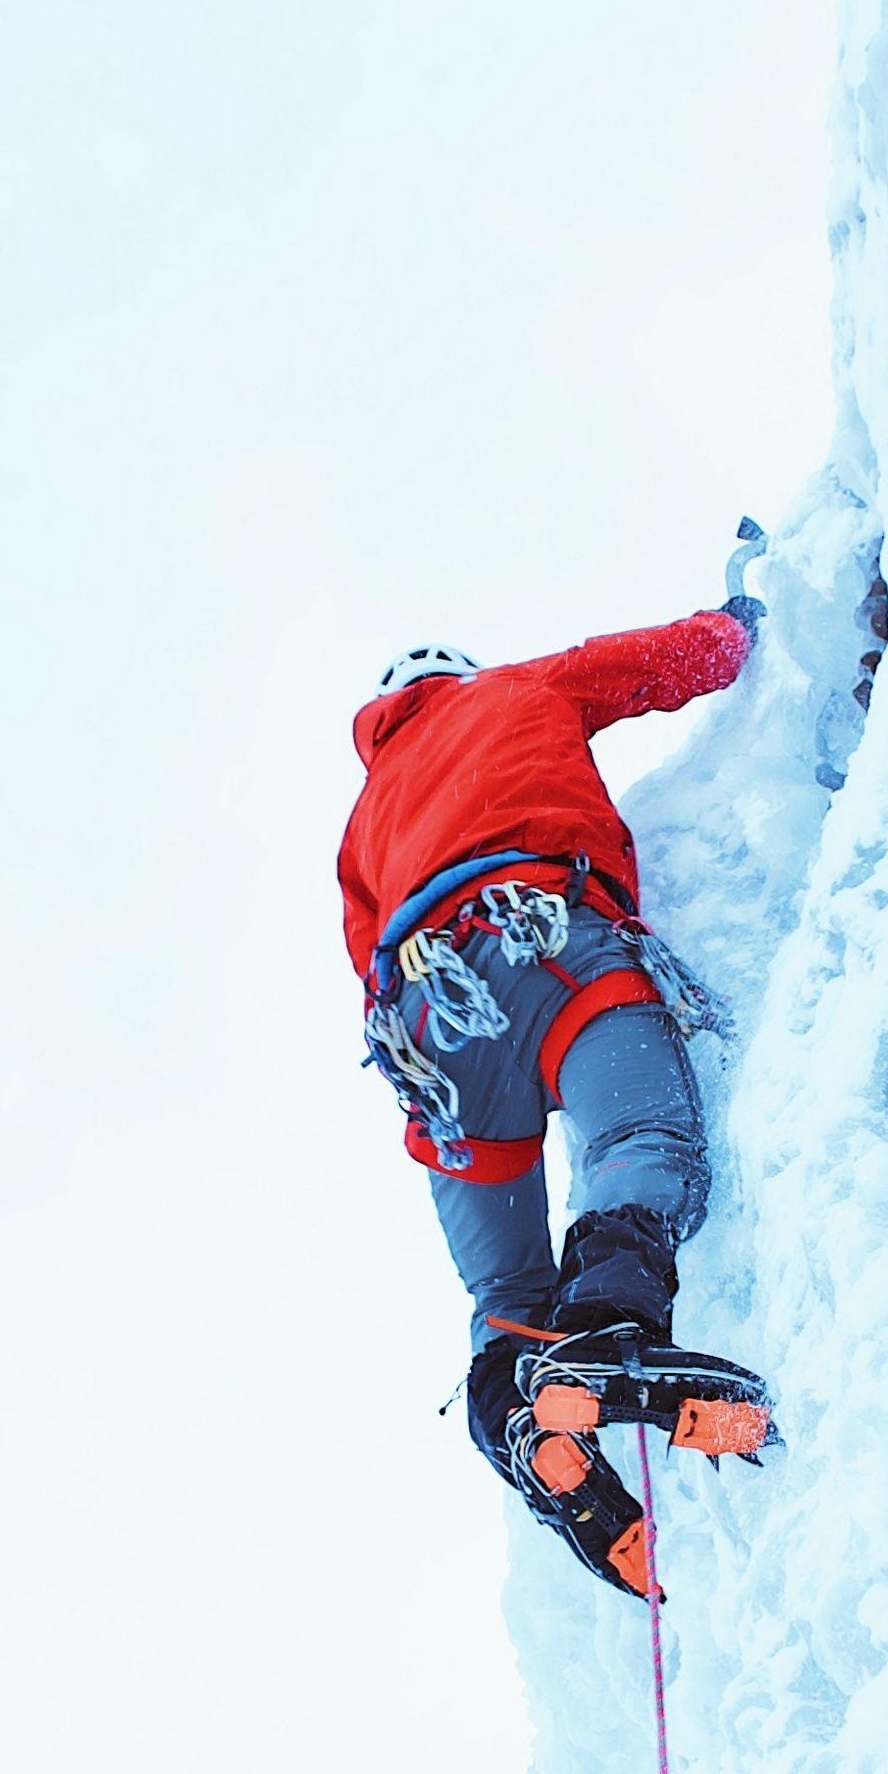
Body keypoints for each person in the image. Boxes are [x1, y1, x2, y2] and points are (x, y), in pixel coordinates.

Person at [341, 528, 769, 1598]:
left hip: (429, 1029)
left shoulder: (363, 821)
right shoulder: (516, 691)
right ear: (459, 679)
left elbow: (363, 951)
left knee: (505, 1287)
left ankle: (527, 1424)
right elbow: (651, 665)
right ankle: (610, 1334)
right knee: (640, 1139)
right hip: (544, 943)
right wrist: (742, 629)